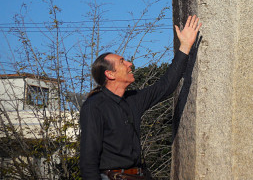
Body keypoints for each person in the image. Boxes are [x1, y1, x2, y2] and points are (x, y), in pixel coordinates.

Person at [80, 15, 202, 180]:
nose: (129, 64)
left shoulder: (133, 100)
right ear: (110, 74)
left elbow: (165, 86)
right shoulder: (94, 106)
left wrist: (185, 46)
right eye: (122, 62)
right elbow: (88, 161)